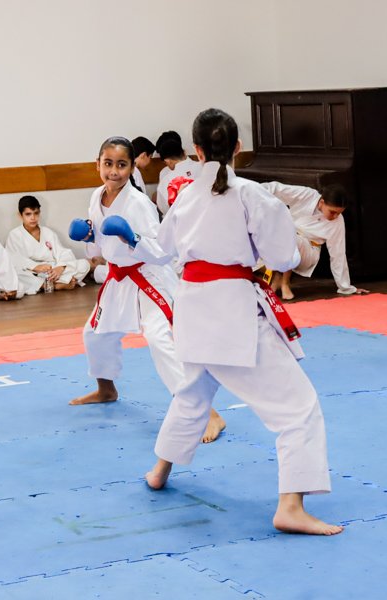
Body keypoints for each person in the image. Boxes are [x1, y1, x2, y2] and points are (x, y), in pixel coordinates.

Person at [144, 109, 341, 535]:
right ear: (238, 148)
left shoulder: (185, 197)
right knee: (299, 408)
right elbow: (283, 257)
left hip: (191, 308)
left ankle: (159, 471)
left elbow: (162, 249)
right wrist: (301, 243)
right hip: (231, 313)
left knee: (194, 392)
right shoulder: (253, 196)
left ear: (196, 151)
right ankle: (291, 507)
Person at [67, 136, 226, 442]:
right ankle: (106, 389)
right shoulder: (97, 196)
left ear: (131, 168)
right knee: (95, 333)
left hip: (148, 275)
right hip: (119, 276)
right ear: (98, 164)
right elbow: (104, 241)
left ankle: (209, 413)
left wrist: (132, 238)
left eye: (121, 165)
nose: (114, 171)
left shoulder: (138, 203)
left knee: (158, 339)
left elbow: (163, 250)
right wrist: (89, 236)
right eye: (108, 163)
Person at [261, 182, 369, 299]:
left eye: (339, 213)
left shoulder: (337, 222)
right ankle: (277, 277)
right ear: (322, 201)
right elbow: (277, 189)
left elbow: (338, 255)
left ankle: (285, 283)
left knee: (289, 237)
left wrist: (346, 287)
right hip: (287, 237)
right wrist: (251, 191)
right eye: (332, 212)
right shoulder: (306, 195)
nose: (335, 217)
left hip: (309, 251)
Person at [6, 195, 94, 294]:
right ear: (20, 215)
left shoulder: (48, 232)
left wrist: (60, 268)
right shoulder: (15, 235)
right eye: (28, 214)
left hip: (52, 271)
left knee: (84, 264)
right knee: (16, 274)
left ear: (39, 212)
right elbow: (14, 259)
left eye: (36, 213)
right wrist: (37, 267)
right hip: (32, 272)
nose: (33, 218)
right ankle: (54, 285)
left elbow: (62, 252)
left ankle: (50, 283)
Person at [155, 131, 202, 215]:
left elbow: (164, 208)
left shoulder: (167, 179)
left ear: (167, 161)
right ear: (184, 151)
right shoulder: (202, 166)